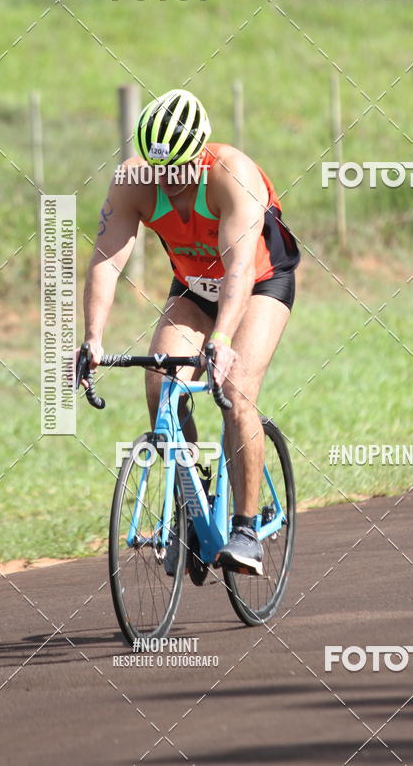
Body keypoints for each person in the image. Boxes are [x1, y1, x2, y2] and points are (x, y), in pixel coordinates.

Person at [81, 89, 299, 575]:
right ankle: (193, 497)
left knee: (235, 390)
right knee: (161, 386)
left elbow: (240, 270)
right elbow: (105, 262)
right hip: (193, 287)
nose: (167, 181)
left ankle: (245, 530)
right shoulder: (132, 181)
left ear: (200, 154)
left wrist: (221, 342)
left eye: (177, 169)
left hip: (260, 282)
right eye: (158, 170)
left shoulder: (231, 175)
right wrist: (93, 338)